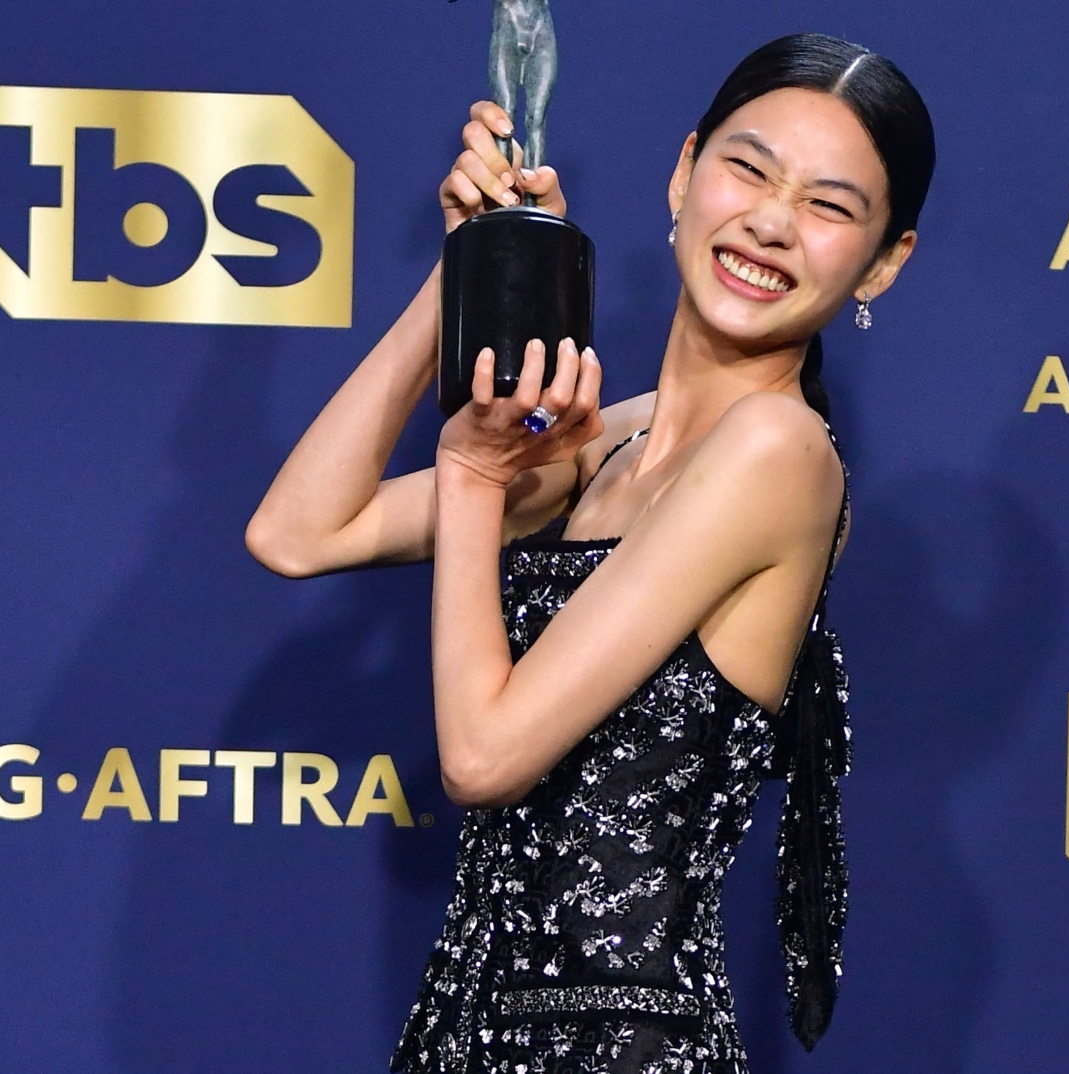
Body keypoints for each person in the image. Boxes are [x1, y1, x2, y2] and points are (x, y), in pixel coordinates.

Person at [243, 32, 936, 1074]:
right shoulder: (613, 437)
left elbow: (481, 759)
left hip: (615, 1046)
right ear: (682, 171)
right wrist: (469, 271)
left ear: (883, 261)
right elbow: (299, 532)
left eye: (828, 206)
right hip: (461, 1031)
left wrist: (477, 480)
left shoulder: (775, 452)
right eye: (747, 168)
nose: (768, 222)